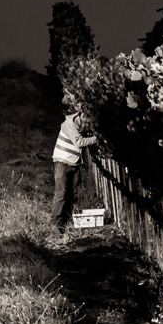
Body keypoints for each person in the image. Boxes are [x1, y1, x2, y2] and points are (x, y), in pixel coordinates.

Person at [51, 98, 97, 229]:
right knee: (61, 194)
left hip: (73, 163)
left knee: (71, 194)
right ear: (82, 115)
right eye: (88, 119)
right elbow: (79, 142)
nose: (88, 123)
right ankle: (55, 225)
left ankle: (65, 222)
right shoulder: (70, 124)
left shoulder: (79, 124)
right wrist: (97, 138)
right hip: (63, 163)